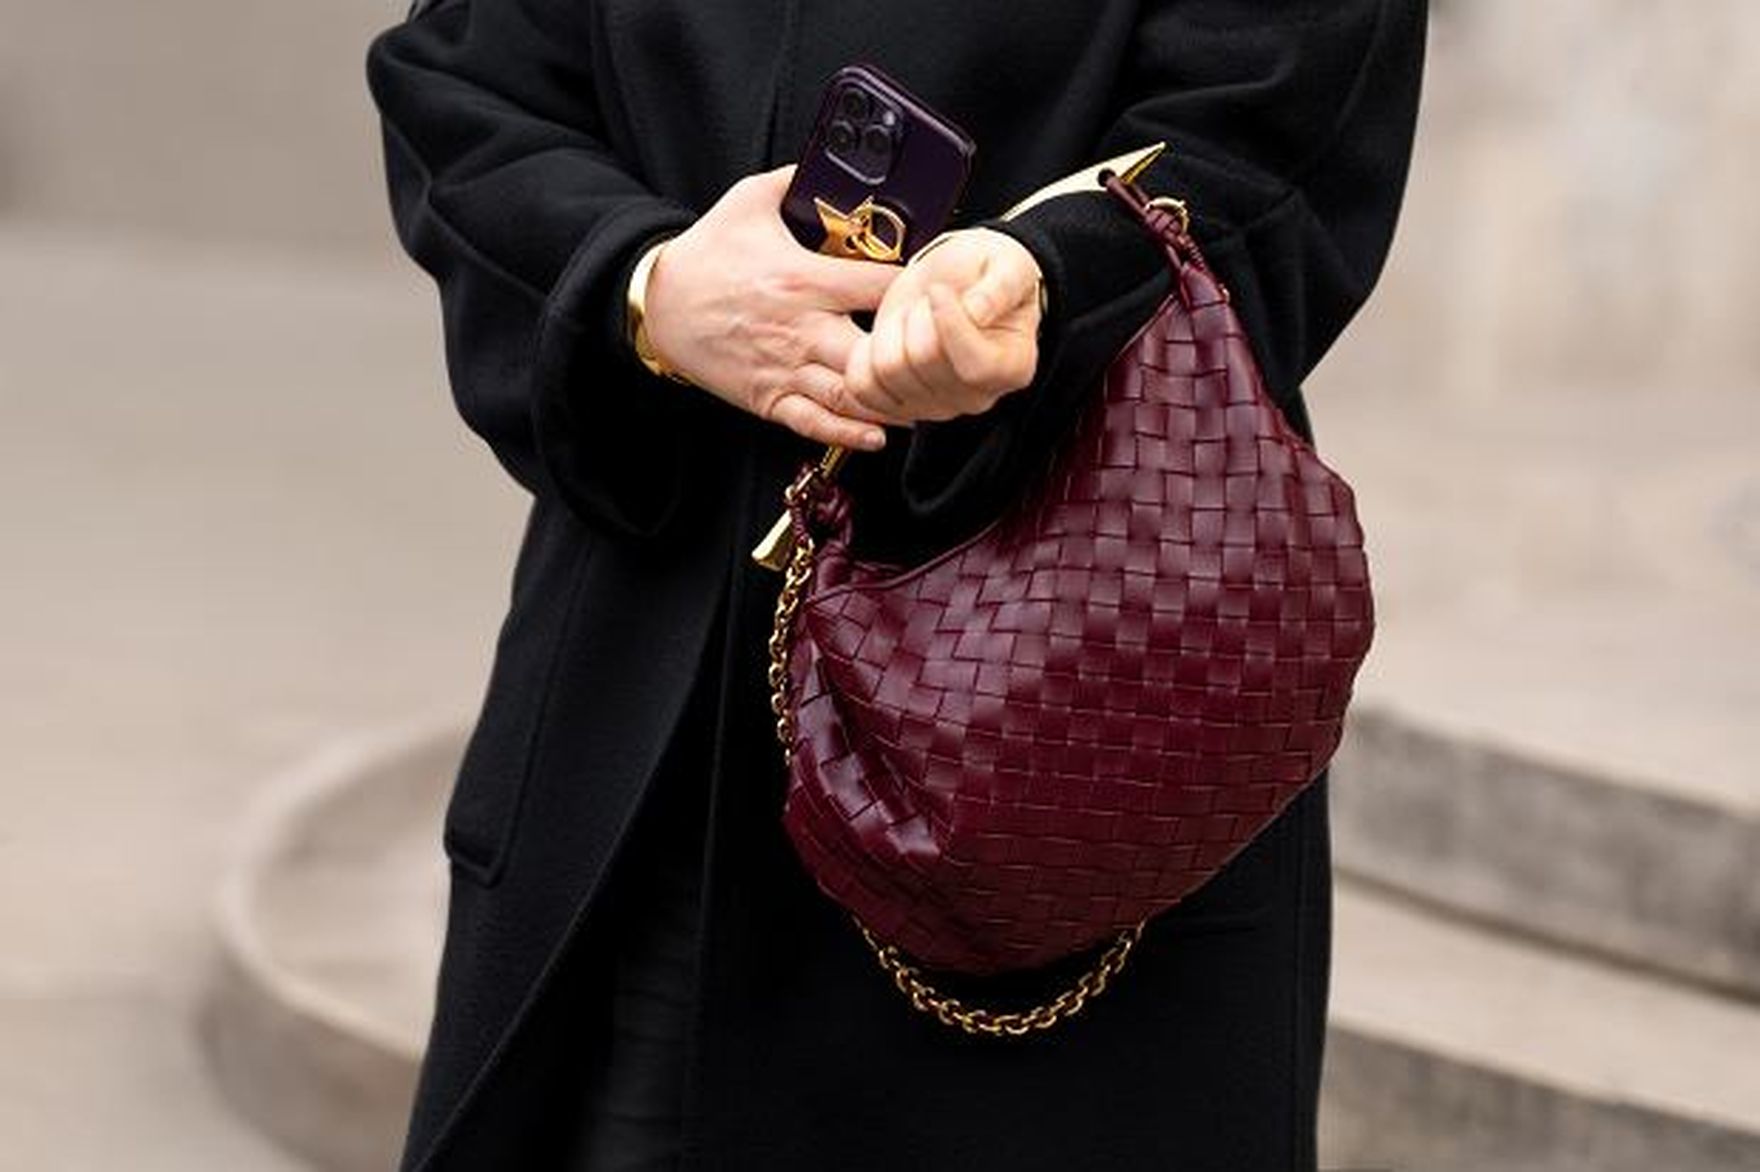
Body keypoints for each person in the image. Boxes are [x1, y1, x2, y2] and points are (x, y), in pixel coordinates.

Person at [363, 1, 1426, 1168]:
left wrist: (1044, 279)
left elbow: (1273, 131)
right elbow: (469, 84)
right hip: (653, 710)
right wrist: (643, 285)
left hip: (1067, 698)